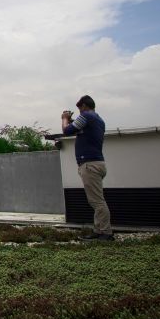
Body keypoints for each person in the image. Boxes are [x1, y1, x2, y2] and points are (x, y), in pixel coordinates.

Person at [62, 95, 113, 241]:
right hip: (97, 163)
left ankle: (105, 232)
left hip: (90, 165)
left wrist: (65, 118)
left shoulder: (86, 115)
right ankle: (99, 230)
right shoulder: (98, 120)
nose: (79, 113)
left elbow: (67, 131)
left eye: (79, 109)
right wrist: (74, 121)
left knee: (97, 201)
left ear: (84, 106)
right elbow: (81, 128)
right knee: (96, 200)